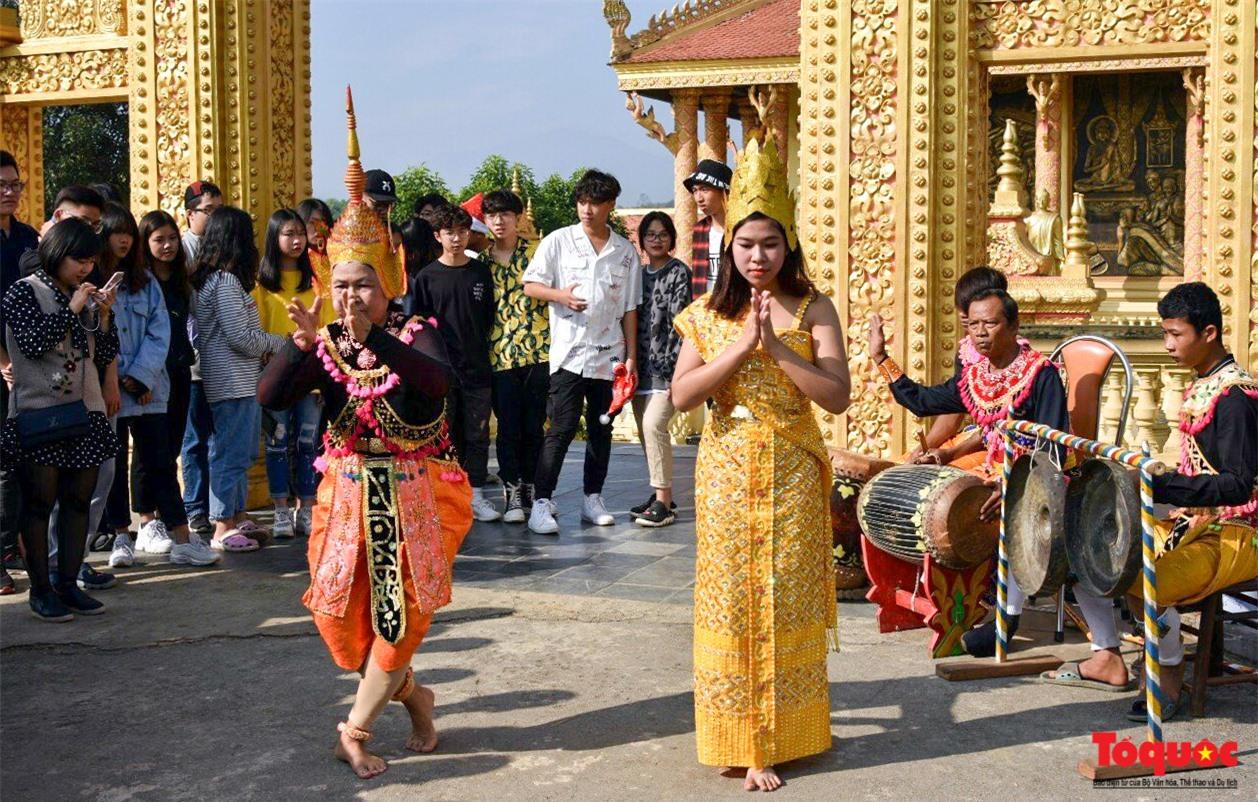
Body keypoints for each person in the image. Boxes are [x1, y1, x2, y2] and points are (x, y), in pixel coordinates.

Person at [258, 89, 471, 779]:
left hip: (411, 501)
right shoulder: (329, 347)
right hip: (346, 500)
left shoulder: (414, 335)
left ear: (389, 280)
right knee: (344, 633)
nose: (352, 296)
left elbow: (436, 386)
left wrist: (375, 336)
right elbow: (271, 397)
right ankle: (417, 696)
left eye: (364, 284)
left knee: (396, 621)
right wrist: (301, 343)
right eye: (342, 284)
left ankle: (354, 728)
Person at [670, 125, 850, 790]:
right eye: (745, 243)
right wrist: (737, 348)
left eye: (769, 242)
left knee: (782, 596)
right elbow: (683, 395)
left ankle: (779, 737)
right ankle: (736, 736)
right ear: (728, 246)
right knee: (730, 601)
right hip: (724, 468)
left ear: (788, 245)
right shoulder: (705, 313)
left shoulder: (814, 306)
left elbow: (835, 397)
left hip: (793, 469)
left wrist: (776, 348)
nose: (757, 255)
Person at [1044, 283, 1257, 720]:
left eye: (1176, 335)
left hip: (1238, 534)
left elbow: (1238, 487)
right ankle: (1107, 656)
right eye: (1165, 333)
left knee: (1145, 580)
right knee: (1087, 556)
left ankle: (1170, 671)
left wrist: (1164, 486)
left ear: (1209, 332)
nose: (1167, 345)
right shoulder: (1206, 384)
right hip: (1193, 522)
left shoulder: (1236, 398)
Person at [868, 287, 1069, 657]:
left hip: (1034, 477)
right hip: (992, 472)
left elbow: (1055, 446)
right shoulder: (977, 376)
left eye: (990, 323)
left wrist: (1012, 485)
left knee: (1005, 511)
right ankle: (955, 601)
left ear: (1013, 326)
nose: (980, 332)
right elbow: (923, 400)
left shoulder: (1041, 375)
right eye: (974, 324)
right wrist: (881, 358)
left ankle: (1005, 619)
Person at [2, 218, 119, 620]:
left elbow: (103, 353)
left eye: (90, 261)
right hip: (41, 413)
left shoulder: (82, 294)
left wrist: (103, 317)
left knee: (77, 501)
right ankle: (41, 589)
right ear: (56, 253)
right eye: (78, 260)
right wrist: (72, 309)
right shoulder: (24, 291)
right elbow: (32, 344)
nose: (85, 268)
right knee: (38, 504)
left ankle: (69, 584)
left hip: (84, 411)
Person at [522, 170, 641, 533]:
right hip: (570, 354)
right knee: (561, 427)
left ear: (610, 206)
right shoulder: (558, 241)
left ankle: (593, 497)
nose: (587, 210)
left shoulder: (624, 253)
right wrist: (561, 296)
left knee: (601, 429)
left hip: (610, 357)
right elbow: (531, 285)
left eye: (595, 203)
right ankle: (542, 502)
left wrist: (631, 355)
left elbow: (630, 308)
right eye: (582, 202)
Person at [103, 205, 219, 569]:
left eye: (127, 232)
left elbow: (160, 332)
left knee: (161, 462)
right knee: (115, 462)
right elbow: (97, 332)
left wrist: (140, 377)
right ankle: (122, 536)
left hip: (152, 385)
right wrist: (122, 377)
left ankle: (181, 538)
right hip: (109, 389)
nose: (122, 239)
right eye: (115, 232)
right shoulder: (93, 281)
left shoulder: (147, 281)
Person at [190, 206, 285, 552]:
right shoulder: (226, 282)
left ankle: (236, 513)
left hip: (234, 380)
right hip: (233, 381)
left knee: (239, 451)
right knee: (231, 453)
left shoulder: (211, 281)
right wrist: (280, 342)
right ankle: (222, 525)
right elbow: (240, 337)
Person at [410, 204, 498, 522]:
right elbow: (417, 324)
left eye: (462, 232)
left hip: (476, 366)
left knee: (477, 434)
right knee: (444, 434)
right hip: (440, 370)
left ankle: (475, 493)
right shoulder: (426, 278)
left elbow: (487, 318)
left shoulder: (480, 272)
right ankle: (446, 495)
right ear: (438, 236)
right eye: (450, 233)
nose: (457, 239)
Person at [254, 208, 334, 538]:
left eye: (300, 233)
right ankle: (280, 510)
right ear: (275, 238)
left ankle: (307, 505)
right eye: (288, 233)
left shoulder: (317, 280)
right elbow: (255, 335)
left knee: (307, 444)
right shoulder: (260, 286)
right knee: (276, 443)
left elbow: (327, 328)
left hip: (311, 379)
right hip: (276, 379)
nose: (297, 240)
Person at [483, 189, 549, 523]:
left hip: (538, 352)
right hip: (499, 357)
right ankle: (511, 493)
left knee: (534, 427)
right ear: (485, 220)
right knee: (508, 428)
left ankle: (533, 490)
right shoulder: (481, 263)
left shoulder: (538, 254)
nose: (499, 221)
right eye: (492, 215)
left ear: (518, 217)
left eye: (505, 214)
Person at [629, 211, 691, 527]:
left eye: (663, 234)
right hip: (639, 369)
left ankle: (664, 502)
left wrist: (675, 372)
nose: (656, 239)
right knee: (646, 433)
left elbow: (682, 326)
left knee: (655, 426)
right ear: (641, 240)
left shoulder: (679, 272)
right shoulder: (637, 275)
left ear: (672, 239)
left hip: (668, 370)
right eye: (650, 234)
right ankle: (660, 495)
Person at [0, 151, 41, 594]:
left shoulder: (28, 238)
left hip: (30, 368)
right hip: (5, 368)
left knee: (27, 464)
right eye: (2, 185)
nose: (10, 192)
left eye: (15, 184)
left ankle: (25, 551)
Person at [684, 159, 731, 296]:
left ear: (724, 191)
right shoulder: (700, 230)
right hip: (705, 309)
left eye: (704, 189)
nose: (699, 198)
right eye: (695, 190)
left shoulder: (742, 230)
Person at [181, 181, 223, 262]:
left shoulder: (225, 245)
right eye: (208, 210)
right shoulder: (181, 250)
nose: (216, 215)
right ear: (190, 214)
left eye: (219, 210)